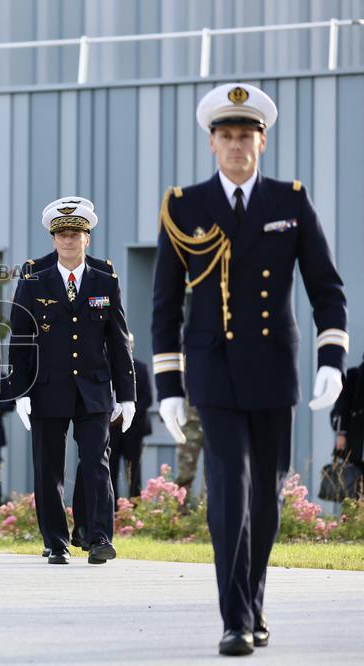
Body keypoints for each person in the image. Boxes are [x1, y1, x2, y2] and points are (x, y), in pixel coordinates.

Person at [151, 82, 348, 656]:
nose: (237, 145)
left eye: (247, 136)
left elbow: (327, 290)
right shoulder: (183, 206)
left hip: (273, 371)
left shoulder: (289, 202)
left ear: (262, 142)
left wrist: (330, 358)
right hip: (213, 373)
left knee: (266, 498)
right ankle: (234, 619)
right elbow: (166, 305)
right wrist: (168, 385)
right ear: (212, 143)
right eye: (227, 136)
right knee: (230, 496)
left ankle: (254, 602)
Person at [9, 197, 135, 567]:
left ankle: (98, 536)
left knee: (97, 461)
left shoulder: (105, 278)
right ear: (53, 239)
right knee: (49, 467)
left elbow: (118, 339)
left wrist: (127, 395)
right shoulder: (34, 277)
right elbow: (21, 339)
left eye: (76, 233)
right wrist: (20, 392)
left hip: (94, 388)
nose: (69, 240)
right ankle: (56, 541)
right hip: (47, 388)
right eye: (62, 234)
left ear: (87, 238)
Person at [108, 333, 152, 501]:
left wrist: (127, 416)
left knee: (133, 471)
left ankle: (135, 510)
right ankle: (112, 509)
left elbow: (147, 398)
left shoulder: (141, 367)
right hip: (111, 428)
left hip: (134, 430)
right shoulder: (108, 366)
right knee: (110, 470)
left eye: (130, 343)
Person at [332, 353, 364, 497]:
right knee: (353, 493)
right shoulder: (353, 376)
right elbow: (341, 408)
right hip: (356, 444)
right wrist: (341, 433)